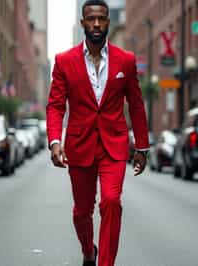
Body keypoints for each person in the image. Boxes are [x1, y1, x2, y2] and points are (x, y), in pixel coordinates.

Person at [46, 0, 149, 265]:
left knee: (112, 202)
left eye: (102, 19)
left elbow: (136, 104)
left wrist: (142, 146)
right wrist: (55, 141)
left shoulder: (125, 60)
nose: (96, 24)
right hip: (79, 146)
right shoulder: (64, 61)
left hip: (113, 146)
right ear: (82, 22)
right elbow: (56, 105)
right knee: (82, 212)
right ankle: (87, 251)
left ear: (108, 22)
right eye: (91, 19)